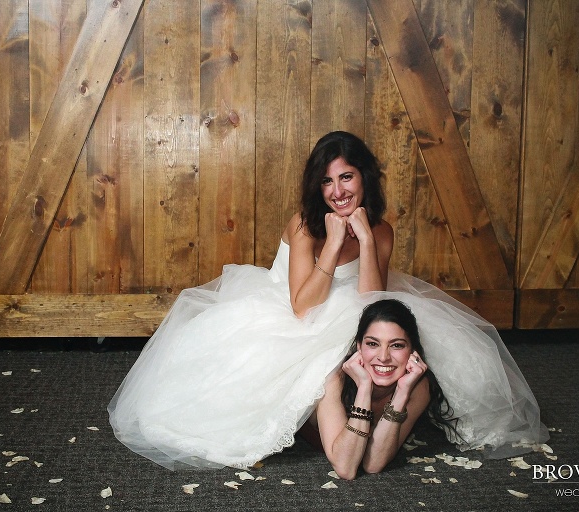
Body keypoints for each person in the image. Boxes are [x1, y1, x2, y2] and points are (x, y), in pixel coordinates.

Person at [108, 131, 548, 471]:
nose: (337, 191)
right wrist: (333, 245)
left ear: (363, 179)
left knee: (384, 333)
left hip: (354, 309)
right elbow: (303, 307)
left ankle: (374, 413)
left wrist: (366, 242)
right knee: (308, 359)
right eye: (327, 181)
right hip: (294, 310)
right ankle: (329, 421)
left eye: (346, 177)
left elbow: (372, 297)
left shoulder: (382, 229)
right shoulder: (304, 225)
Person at [300, 299, 456, 480]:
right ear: (359, 346)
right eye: (373, 344)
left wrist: (402, 393)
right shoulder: (333, 379)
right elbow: (345, 468)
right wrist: (364, 388)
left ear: (412, 350)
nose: (383, 357)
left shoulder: (418, 386)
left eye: (396, 345)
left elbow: (373, 464)